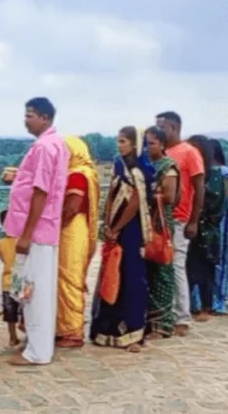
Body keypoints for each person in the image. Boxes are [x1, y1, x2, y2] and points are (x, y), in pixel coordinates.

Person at [3, 97, 70, 366]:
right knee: (36, 288)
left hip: (38, 231)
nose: (25, 119)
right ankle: (37, 344)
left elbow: (41, 191)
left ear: (44, 118)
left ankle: (38, 351)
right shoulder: (55, 144)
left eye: (30, 115)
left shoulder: (44, 147)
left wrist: (27, 234)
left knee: (34, 291)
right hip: (44, 228)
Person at [91, 127, 149, 351]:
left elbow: (134, 203)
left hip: (131, 231)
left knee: (131, 279)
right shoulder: (118, 165)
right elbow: (112, 195)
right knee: (112, 275)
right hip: (115, 229)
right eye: (118, 140)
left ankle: (133, 333)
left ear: (134, 144)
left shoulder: (140, 169)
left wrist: (117, 227)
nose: (119, 145)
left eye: (123, 141)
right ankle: (108, 331)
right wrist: (107, 223)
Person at [155, 111, 205, 336]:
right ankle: (164, 312)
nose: (159, 131)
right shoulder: (162, 152)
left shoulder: (189, 153)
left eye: (162, 127)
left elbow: (199, 187)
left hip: (180, 217)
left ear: (173, 128)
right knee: (161, 265)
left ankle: (182, 316)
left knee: (176, 265)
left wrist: (194, 219)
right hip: (161, 216)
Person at [56, 136, 100, 348]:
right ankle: (60, 326)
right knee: (63, 277)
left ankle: (72, 331)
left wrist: (54, 227)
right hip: (72, 229)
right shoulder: (77, 173)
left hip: (72, 230)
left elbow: (72, 207)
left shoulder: (78, 175)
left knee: (69, 277)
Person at [143, 126, 179, 339]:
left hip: (161, 224)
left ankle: (163, 323)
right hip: (146, 222)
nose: (148, 148)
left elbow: (169, 197)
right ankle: (148, 319)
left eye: (152, 143)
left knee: (162, 272)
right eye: (146, 143)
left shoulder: (168, 167)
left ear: (163, 145)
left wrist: (148, 192)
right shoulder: (147, 165)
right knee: (148, 271)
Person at [186, 135, 225, 322]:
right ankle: (189, 306)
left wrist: (200, 218)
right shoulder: (189, 173)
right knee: (188, 269)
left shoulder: (216, 175)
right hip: (189, 226)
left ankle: (207, 306)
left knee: (206, 270)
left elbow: (219, 203)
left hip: (208, 228)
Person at [209, 140, 228, 315]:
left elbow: (225, 199)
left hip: (219, 221)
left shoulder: (224, 172)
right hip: (208, 220)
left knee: (217, 259)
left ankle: (216, 298)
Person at [0, 209, 23, 347]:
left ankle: (13, 337)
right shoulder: (22, 240)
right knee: (25, 309)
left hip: (7, 281)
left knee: (10, 313)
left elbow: (3, 259)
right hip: (22, 281)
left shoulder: (1, 243)